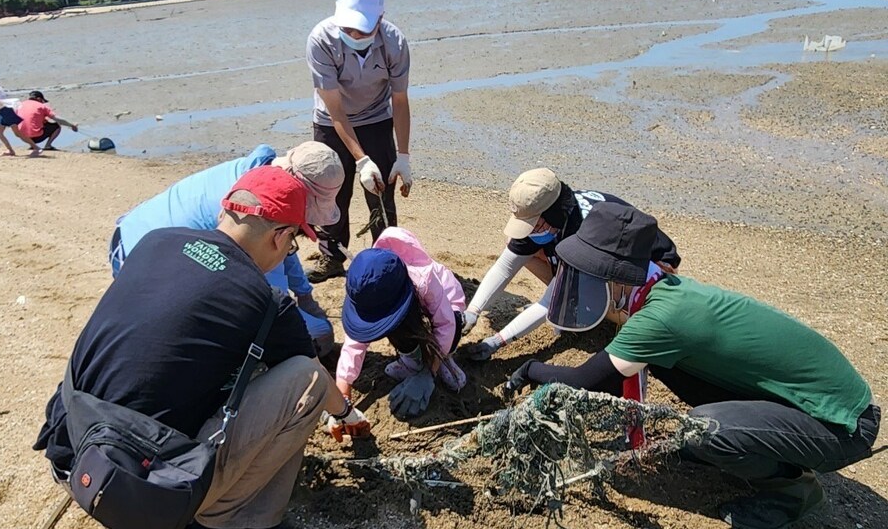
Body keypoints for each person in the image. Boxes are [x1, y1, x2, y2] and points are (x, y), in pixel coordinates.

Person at [35, 167, 370, 529]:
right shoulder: (266, 302)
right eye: (293, 244)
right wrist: (346, 413)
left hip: (72, 450)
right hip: (142, 490)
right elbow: (316, 376)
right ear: (280, 237)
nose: (288, 254)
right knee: (306, 378)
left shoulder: (156, 241)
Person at [506, 201, 880, 529]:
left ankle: (794, 490)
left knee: (707, 429)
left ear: (615, 275)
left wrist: (530, 369)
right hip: (811, 401)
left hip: (842, 425)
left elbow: (585, 382)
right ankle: (758, 443)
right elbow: (618, 372)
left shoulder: (662, 319)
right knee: (674, 376)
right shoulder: (662, 287)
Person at [110, 142, 344, 356]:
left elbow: (284, 252)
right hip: (138, 265)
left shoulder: (258, 177)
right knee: (309, 334)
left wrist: (305, 296)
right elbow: (271, 305)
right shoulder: (253, 220)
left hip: (136, 238)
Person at [463, 168, 681, 361]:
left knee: (571, 292)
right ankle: (579, 299)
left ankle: (608, 314)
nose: (530, 230)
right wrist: (473, 311)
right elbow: (505, 267)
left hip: (654, 270)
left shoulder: (583, 232)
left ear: (554, 213)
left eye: (535, 224)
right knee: (519, 246)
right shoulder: (549, 218)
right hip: (598, 257)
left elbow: (550, 300)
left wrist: (497, 341)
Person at [305, 0, 413, 283]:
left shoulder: (394, 42)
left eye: (362, 27)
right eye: (347, 26)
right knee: (331, 193)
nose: (353, 33)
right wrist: (361, 160)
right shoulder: (321, 40)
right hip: (331, 122)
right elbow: (335, 109)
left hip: (377, 119)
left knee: (381, 193)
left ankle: (386, 256)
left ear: (380, 17)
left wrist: (402, 156)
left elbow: (401, 100)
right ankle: (332, 257)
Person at [336, 228, 467, 419]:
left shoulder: (425, 281)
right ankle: (412, 362)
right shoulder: (368, 289)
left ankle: (444, 360)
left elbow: (446, 325)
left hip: (448, 307)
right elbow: (354, 343)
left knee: (451, 325)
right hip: (405, 309)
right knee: (398, 329)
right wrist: (342, 396)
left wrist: (428, 373)